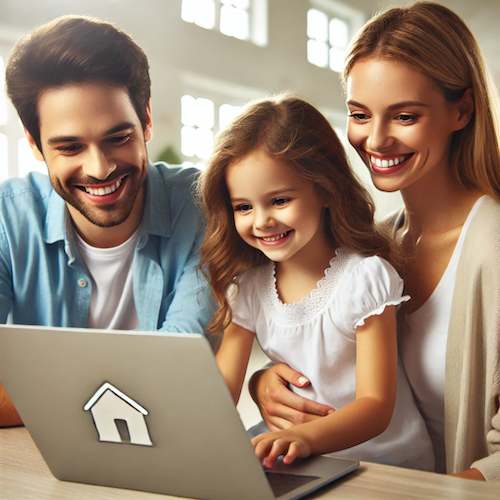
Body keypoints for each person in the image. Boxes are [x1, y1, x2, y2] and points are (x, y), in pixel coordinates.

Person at [250, 1, 500, 481]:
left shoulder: (492, 247)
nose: (376, 140)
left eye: (404, 116)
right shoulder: (372, 245)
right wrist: (266, 383)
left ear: (461, 110)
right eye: (360, 114)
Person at [198, 94, 434, 469]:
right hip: (306, 460)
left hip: (387, 464)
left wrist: (301, 438)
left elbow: (375, 407)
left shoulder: (364, 280)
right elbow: (220, 390)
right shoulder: (248, 288)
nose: (261, 221)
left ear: (325, 189)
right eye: (243, 206)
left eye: (278, 200)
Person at [0, 16, 214, 427]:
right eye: (70, 147)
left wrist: (36, 390)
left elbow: (181, 373)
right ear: (34, 143)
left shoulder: (203, 206)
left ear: (146, 120)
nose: (99, 169)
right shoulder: (8, 219)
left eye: (118, 138)